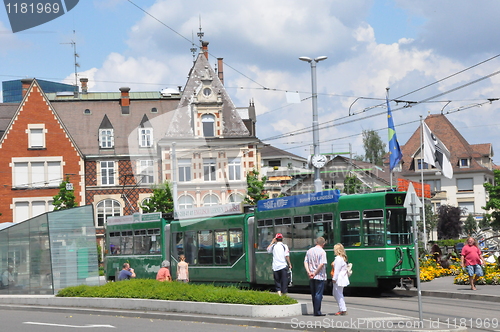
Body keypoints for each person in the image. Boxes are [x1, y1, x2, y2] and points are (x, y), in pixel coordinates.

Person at [303, 237, 327, 316]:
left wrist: (309, 272)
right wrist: (315, 273)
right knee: (318, 294)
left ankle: (315, 310)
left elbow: (305, 262)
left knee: (313, 294)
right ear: (323, 244)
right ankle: (317, 312)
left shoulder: (309, 251)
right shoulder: (322, 252)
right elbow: (322, 264)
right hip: (319, 276)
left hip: (311, 276)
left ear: (316, 242)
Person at [331, 243, 350, 316]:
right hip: (341, 278)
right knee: (337, 293)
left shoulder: (338, 259)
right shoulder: (342, 258)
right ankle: (342, 309)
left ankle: (343, 309)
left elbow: (337, 270)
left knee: (338, 294)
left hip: (339, 279)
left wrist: (334, 279)